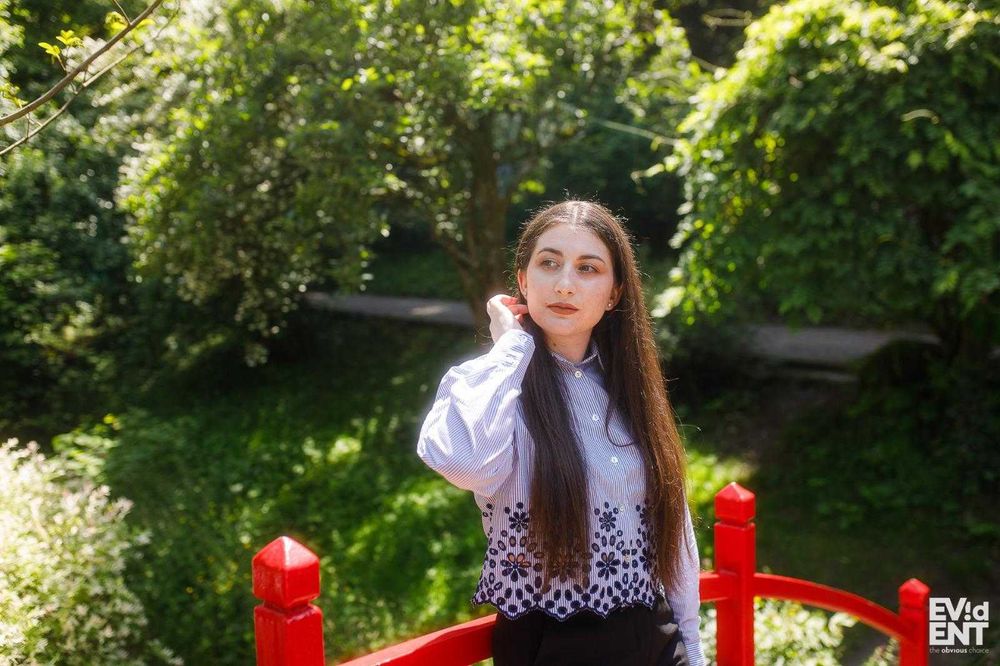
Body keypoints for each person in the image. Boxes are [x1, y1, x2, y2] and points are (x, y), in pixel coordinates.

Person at [417, 199, 705, 666]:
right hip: (552, 644)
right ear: (523, 281)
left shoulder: (628, 389)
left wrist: (691, 643)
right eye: (549, 263)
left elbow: (675, 529)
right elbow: (462, 461)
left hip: (653, 637)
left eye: (588, 268)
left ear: (613, 294)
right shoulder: (496, 386)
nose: (565, 284)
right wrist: (510, 346)